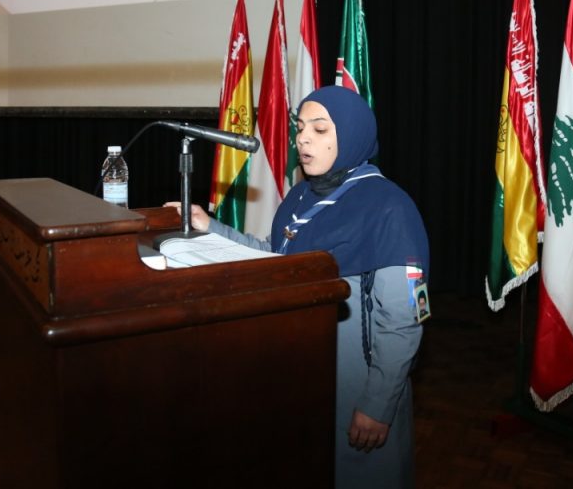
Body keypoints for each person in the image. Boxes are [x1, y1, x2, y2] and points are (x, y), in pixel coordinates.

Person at [168, 86, 429, 488]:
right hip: (303, 376)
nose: (303, 139)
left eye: (320, 130)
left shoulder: (388, 207)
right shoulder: (300, 196)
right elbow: (277, 262)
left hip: (356, 389)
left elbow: (403, 321)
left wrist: (377, 405)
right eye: (301, 128)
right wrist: (210, 227)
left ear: (353, 134)